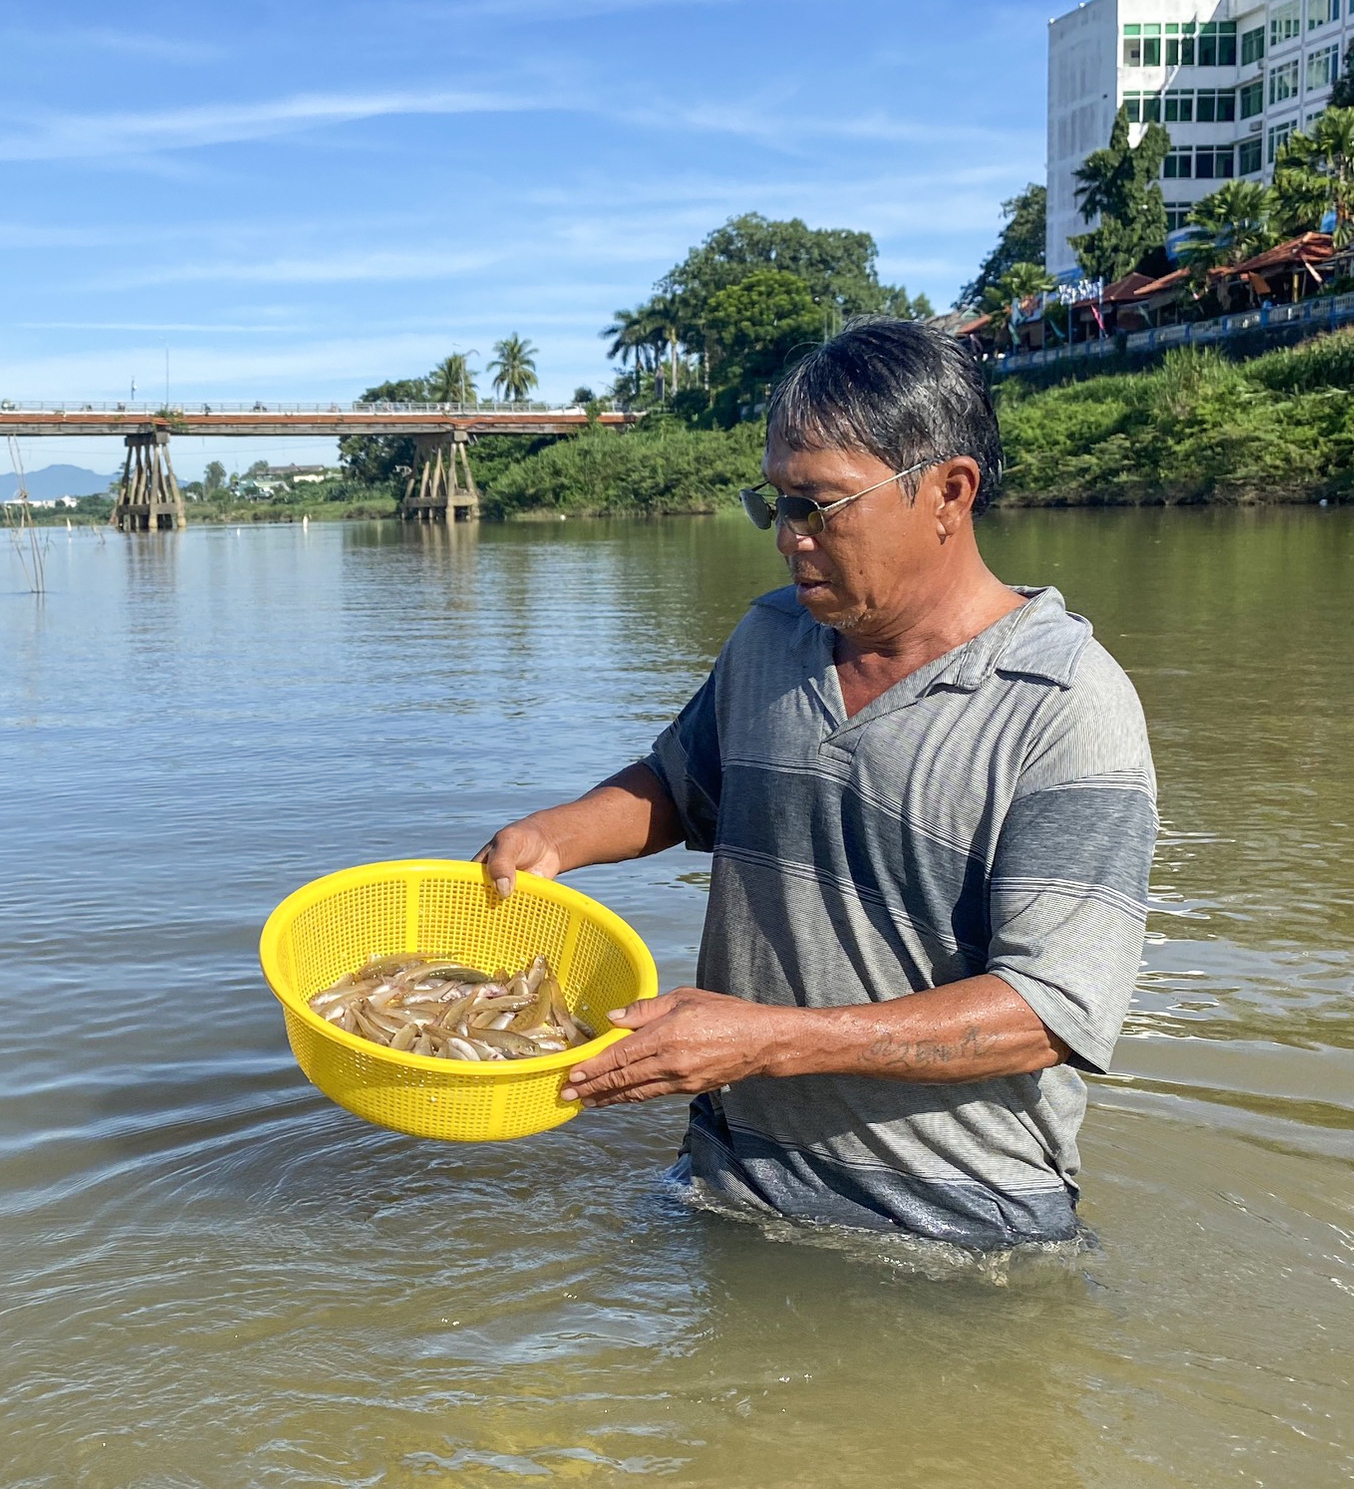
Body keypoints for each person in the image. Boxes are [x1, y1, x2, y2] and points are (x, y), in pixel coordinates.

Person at [475, 318, 1155, 1249]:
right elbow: (681, 786)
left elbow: (1049, 1013)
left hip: (952, 1225)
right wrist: (557, 835)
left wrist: (765, 1039)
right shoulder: (771, 641)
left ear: (949, 492)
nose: (789, 541)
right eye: (777, 505)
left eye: (820, 507)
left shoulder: (1064, 706)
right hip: (731, 1177)